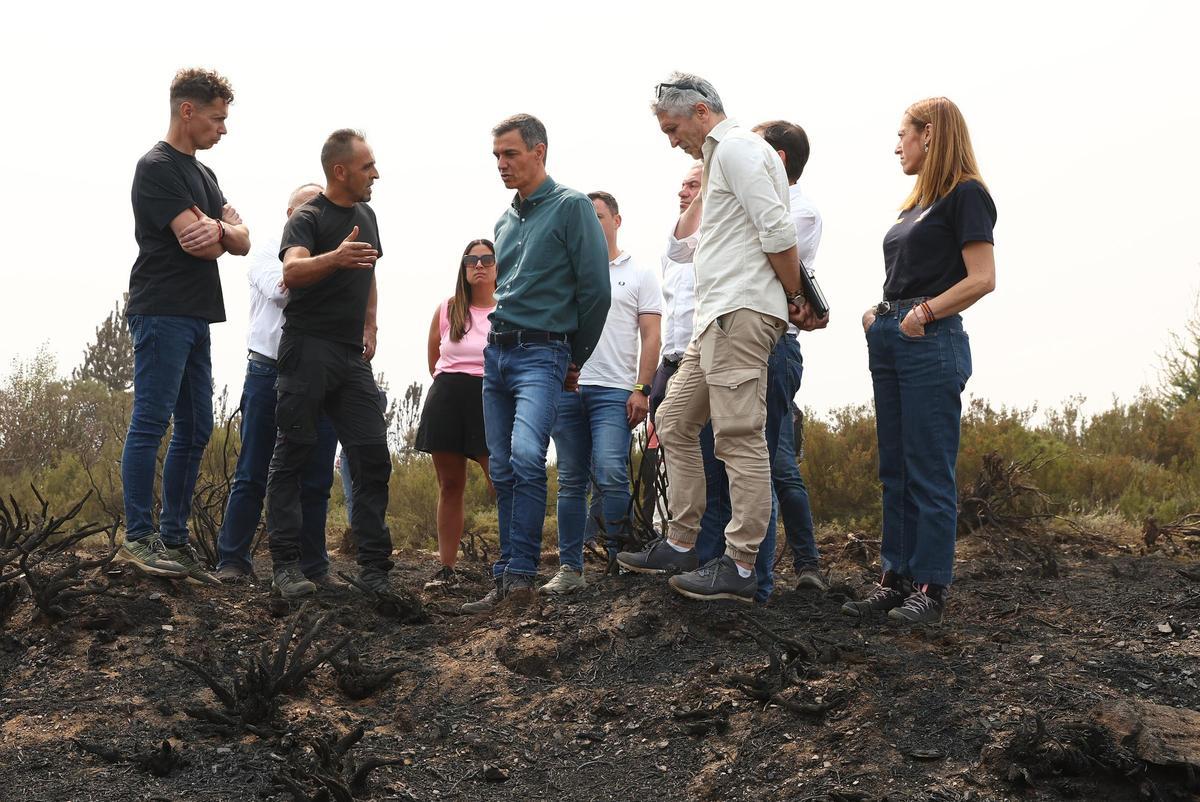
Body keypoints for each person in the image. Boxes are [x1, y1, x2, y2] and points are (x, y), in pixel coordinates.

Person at [617, 72, 817, 603]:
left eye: (672, 126)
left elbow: (777, 229)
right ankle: (682, 541)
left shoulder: (739, 148)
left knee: (738, 437)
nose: (670, 138)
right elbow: (690, 245)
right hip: (715, 317)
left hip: (742, 312)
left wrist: (797, 295)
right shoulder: (719, 159)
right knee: (675, 420)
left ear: (702, 111)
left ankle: (743, 565)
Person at [841, 97, 996, 625]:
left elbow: (982, 277)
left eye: (903, 134)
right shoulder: (915, 205)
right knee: (895, 469)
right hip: (891, 334)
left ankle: (930, 587)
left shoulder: (966, 194)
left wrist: (923, 313)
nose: (897, 144)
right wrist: (877, 313)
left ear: (929, 134)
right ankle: (896, 578)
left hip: (929, 340)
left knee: (929, 470)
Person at [462, 114, 610, 613]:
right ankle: (506, 577)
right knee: (501, 466)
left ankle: (523, 577)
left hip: (544, 353)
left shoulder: (571, 208)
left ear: (538, 151)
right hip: (497, 353)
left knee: (527, 456)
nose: (502, 165)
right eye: (497, 157)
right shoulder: (504, 222)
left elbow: (596, 292)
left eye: (510, 154)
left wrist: (574, 356)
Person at [117, 68, 250, 583]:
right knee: (151, 421)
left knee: (198, 427)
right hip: (161, 309)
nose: (224, 129)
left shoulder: (206, 176)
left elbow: (238, 239)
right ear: (187, 111)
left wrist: (223, 229)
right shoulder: (156, 168)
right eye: (217, 118)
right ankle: (139, 538)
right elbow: (194, 237)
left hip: (197, 313)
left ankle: (174, 538)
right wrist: (222, 231)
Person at [266, 129, 394, 600]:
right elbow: (293, 272)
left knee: (372, 456)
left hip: (350, 355)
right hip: (307, 349)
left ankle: (375, 570)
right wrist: (335, 258)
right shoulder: (307, 218)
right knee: (293, 455)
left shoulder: (368, 215)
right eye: (367, 166)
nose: (375, 174)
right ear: (340, 171)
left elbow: (370, 269)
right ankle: (285, 566)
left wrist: (372, 325)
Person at [214, 183, 342, 588]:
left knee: (318, 473)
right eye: (307, 208)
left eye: (320, 208)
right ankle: (233, 560)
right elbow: (284, 289)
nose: (314, 215)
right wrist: (323, 271)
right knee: (253, 468)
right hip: (268, 371)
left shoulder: (334, 256)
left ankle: (314, 566)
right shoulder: (269, 252)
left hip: (319, 375)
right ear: (291, 215)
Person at [542, 192, 662, 595]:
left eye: (599, 216)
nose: (592, 225)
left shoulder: (640, 272)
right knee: (572, 479)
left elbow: (651, 335)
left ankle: (619, 560)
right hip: (569, 388)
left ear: (617, 220)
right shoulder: (565, 272)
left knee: (611, 470)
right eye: (586, 219)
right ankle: (571, 569)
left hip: (615, 389)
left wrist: (643, 388)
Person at [752, 120, 826, 592]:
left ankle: (804, 566)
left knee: (773, 460)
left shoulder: (800, 211)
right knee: (756, 458)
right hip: (745, 339)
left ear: (777, 159)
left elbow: (766, 256)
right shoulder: (760, 206)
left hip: (775, 343)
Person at [414, 239, 498, 591]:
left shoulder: (508, 309)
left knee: (503, 483)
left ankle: (515, 565)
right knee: (450, 486)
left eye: (486, 259)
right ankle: (446, 569)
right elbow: (434, 359)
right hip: (447, 397)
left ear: (498, 267)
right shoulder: (448, 309)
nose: (478, 265)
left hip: (489, 399)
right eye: (471, 259)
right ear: (463, 268)